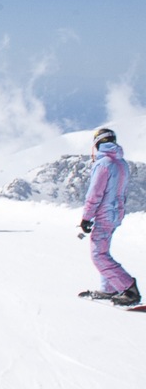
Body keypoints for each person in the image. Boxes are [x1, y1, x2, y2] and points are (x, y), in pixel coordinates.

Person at [78, 128, 140, 306]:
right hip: (115, 213)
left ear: (97, 143)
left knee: (98, 255)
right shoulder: (122, 164)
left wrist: (86, 217)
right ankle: (110, 288)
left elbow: (95, 194)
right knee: (103, 250)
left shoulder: (103, 164)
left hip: (105, 213)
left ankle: (129, 289)